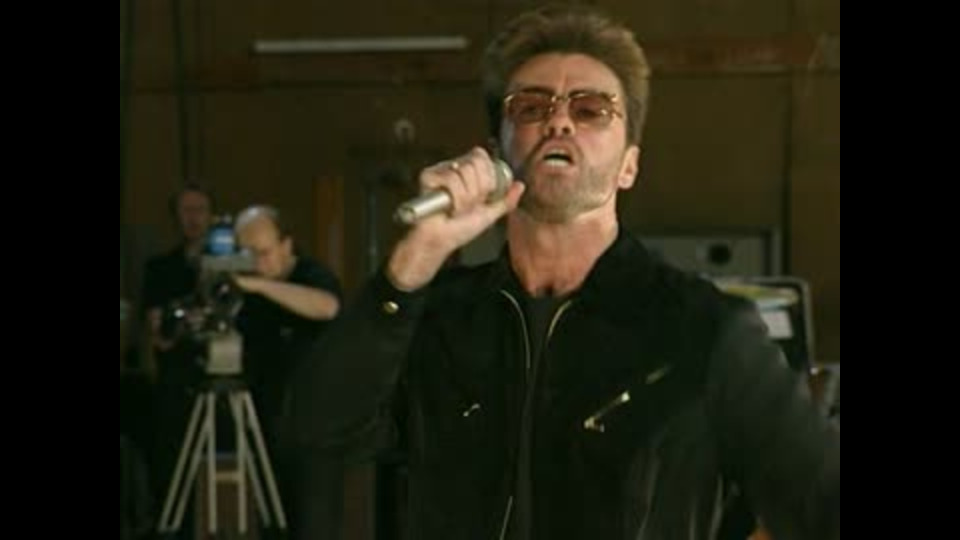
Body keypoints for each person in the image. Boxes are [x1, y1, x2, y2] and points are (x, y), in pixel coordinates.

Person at [284, 5, 840, 540]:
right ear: (496, 153)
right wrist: (410, 267)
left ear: (629, 165)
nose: (559, 120)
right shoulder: (438, 319)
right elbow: (315, 430)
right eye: (531, 106)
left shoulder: (704, 329)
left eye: (592, 109)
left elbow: (821, 506)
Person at [231, 204, 345, 540]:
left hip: (314, 429)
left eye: (262, 252)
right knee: (272, 526)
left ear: (287, 244)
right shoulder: (246, 292)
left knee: (312, 525)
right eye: (246, 254)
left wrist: (259, 286)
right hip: (265, 420)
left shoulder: (311, 274)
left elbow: (327, 306)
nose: (255, 263)